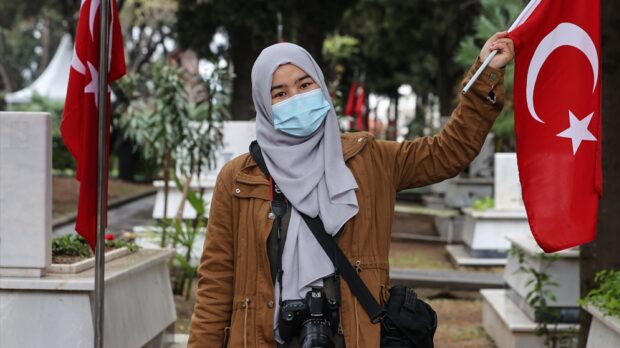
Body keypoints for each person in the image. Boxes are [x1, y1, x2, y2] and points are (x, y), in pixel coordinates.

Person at [187, 32, 514, 348]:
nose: (297, 99)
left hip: (353, 335)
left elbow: (447, 153)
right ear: (263, 103)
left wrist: (485, 73)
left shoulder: (369, 159)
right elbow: (216, 284)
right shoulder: (238, 179)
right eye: (280, 93)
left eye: (304, 85)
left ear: (321, 86)